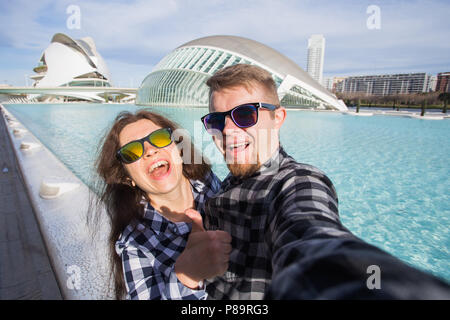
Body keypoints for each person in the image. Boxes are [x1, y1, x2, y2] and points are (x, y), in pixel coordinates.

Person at [199, 64, 450, 299]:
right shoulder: (234, 179)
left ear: (278, 118)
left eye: (244, 114)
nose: (228, 130)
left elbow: (311, 234)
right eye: (217, 121)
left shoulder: (295, 183)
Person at [91, 110, 232, 300]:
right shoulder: (135, 245)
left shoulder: (208, 182)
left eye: (159, 138)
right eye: (132, 151)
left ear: (179, 149)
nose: (150, 150)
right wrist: (187, 277)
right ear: (126, 177)